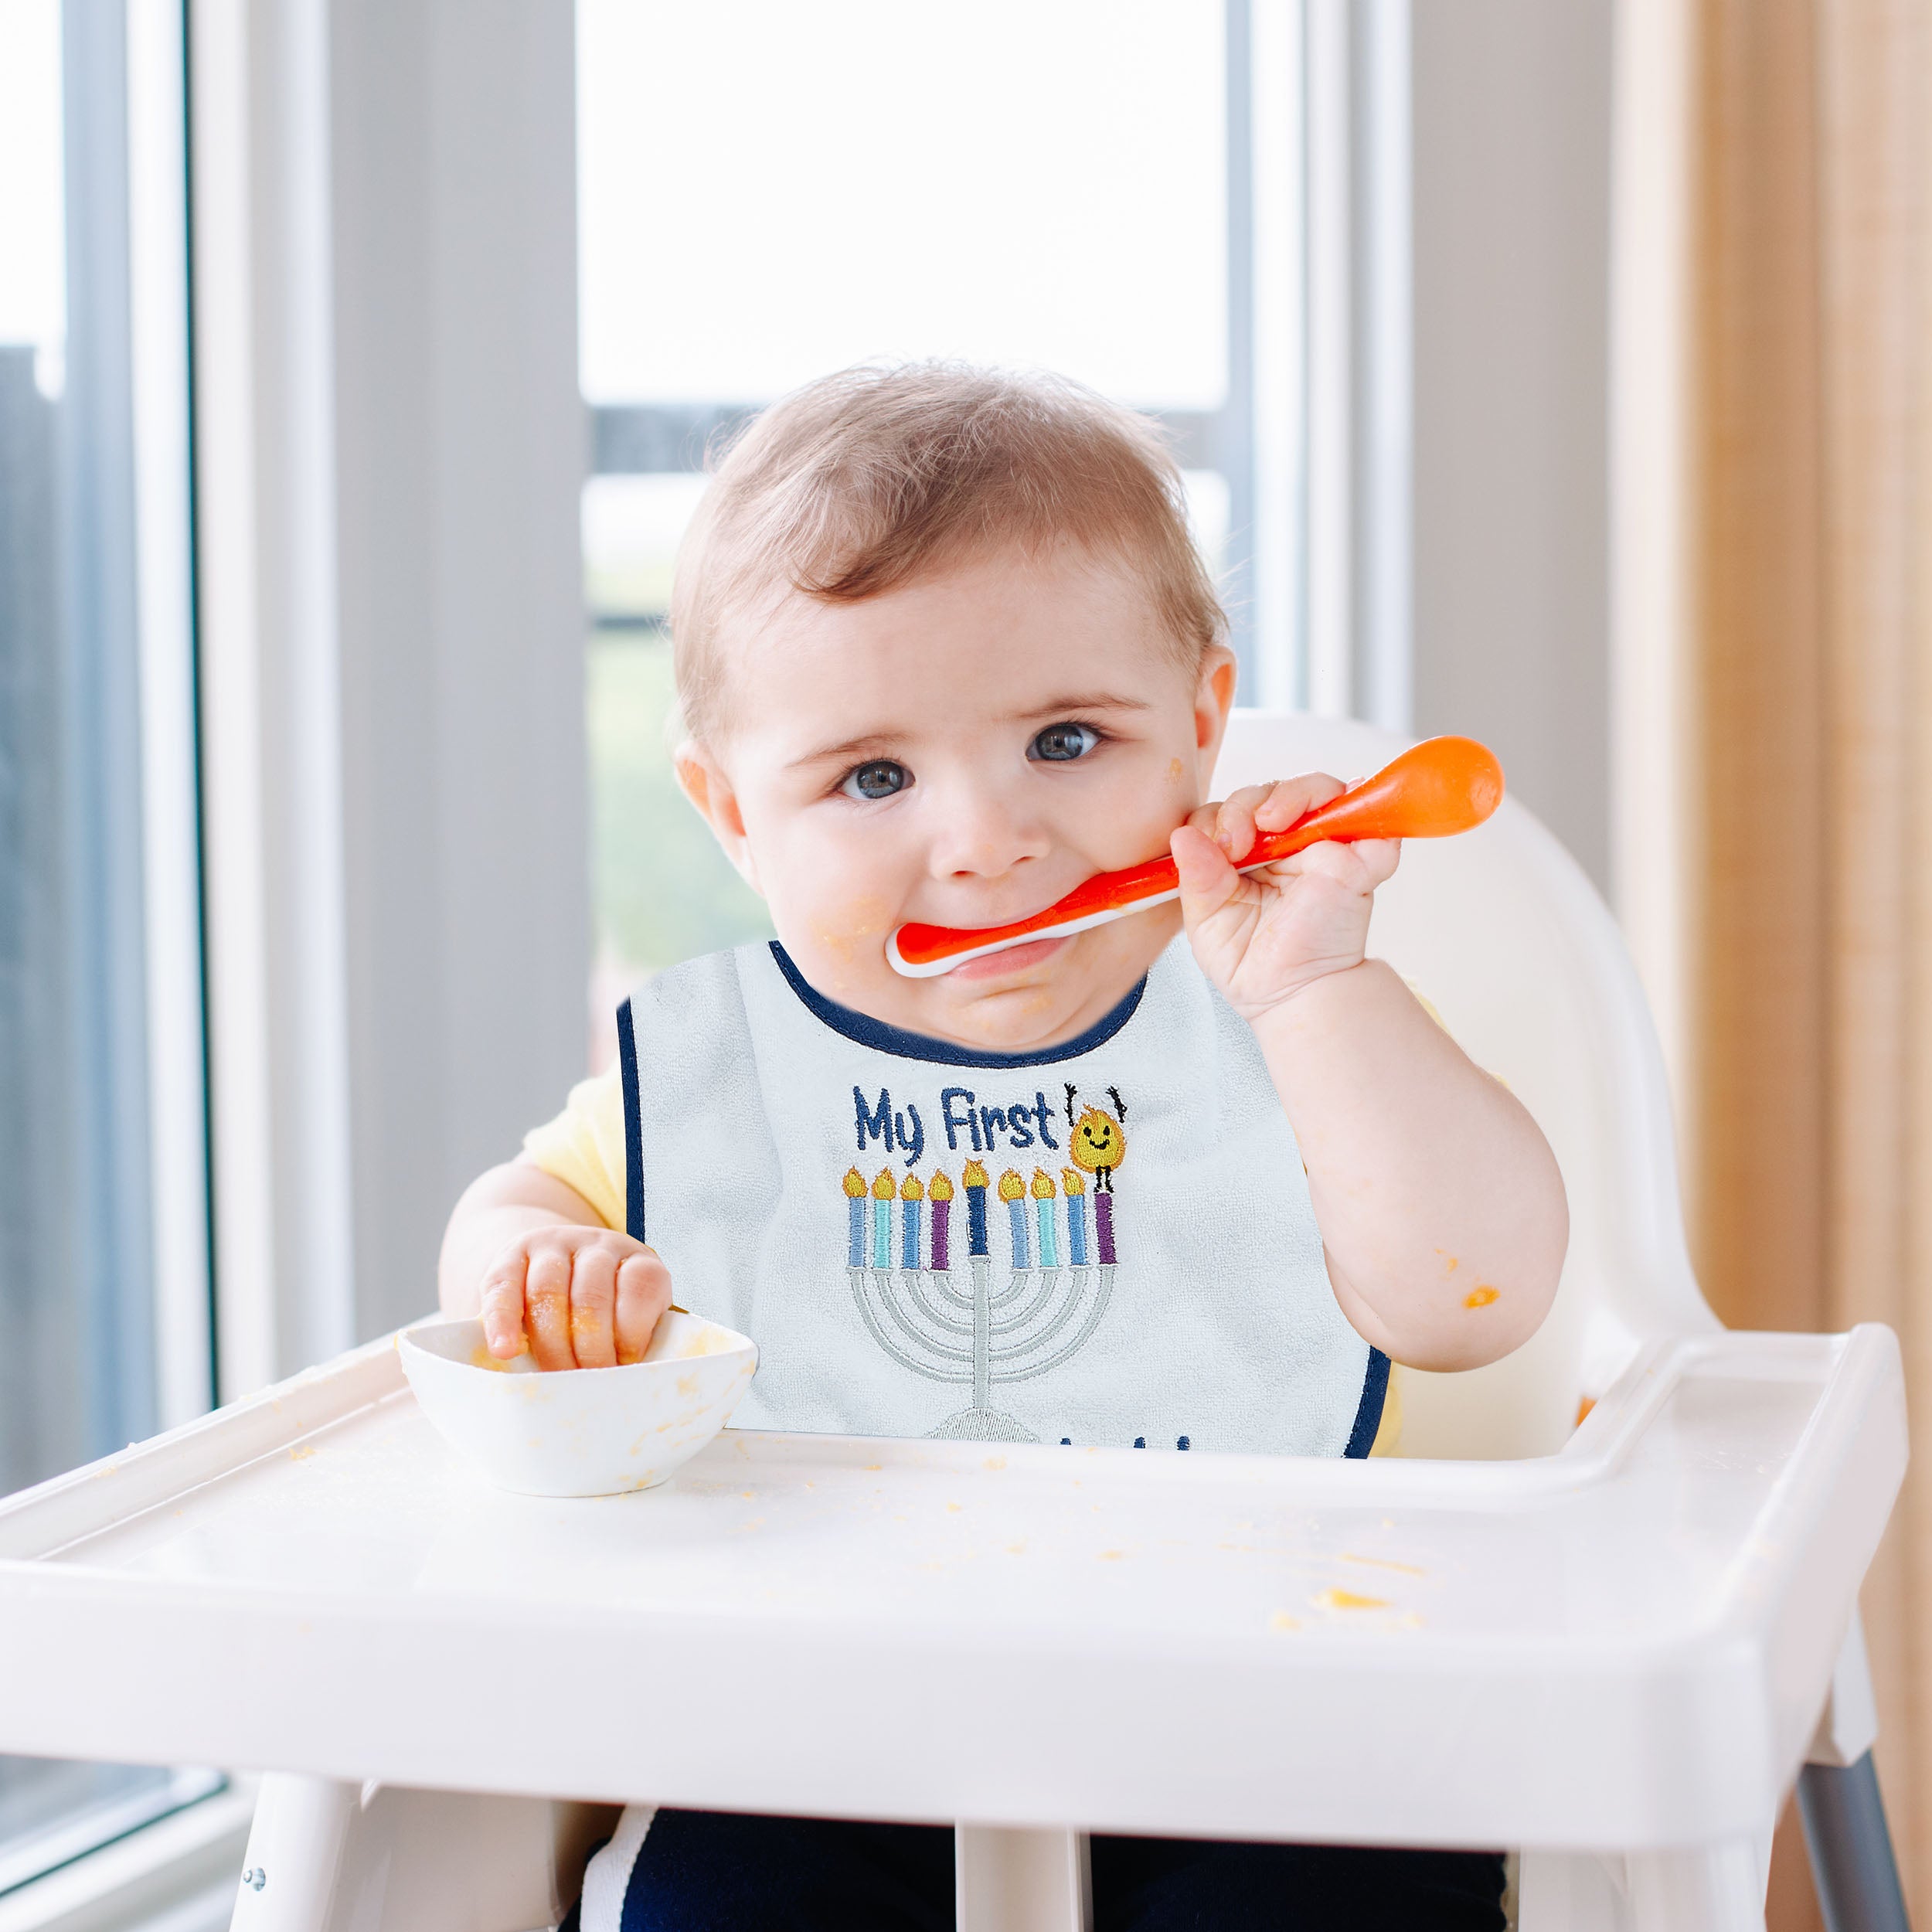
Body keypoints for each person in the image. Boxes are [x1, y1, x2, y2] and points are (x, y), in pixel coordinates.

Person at [439, 362, 1567, 1931]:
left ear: (1196, 730)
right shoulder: (737, 1084)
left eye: (1064, 740)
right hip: (816, 1750)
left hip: (1269, 1735)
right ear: (728, 814)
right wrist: (534, 1264)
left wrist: (1317, 989)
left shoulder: (1273, 1017)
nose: (983, 837)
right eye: (872, 776)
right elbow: (515, 1206)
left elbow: (1476, 1297)